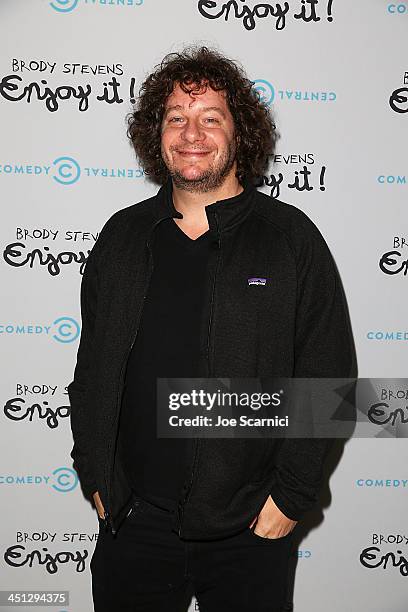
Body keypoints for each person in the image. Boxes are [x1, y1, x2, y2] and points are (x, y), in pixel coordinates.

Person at [67, 45, 357, 612]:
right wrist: (95, 471)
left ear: (239, 133)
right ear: (157, 133)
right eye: (176, 117)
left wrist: (291, 498)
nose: (191, 133)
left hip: (249, 528)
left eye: (210, 118)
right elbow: (92, 366)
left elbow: (329, 377)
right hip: (134, 521)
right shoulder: (123, 237)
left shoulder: (289, 239)